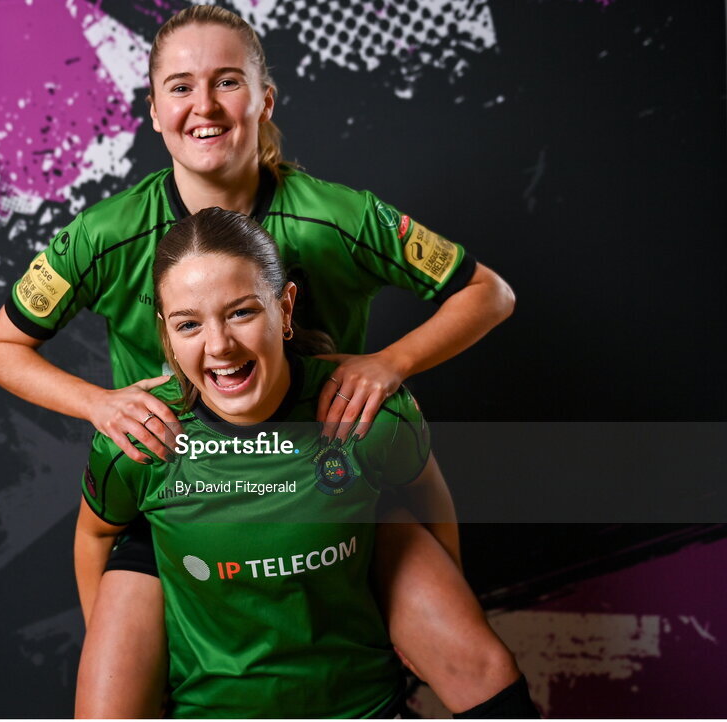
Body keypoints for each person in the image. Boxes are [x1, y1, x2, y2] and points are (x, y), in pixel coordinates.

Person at [0, 4, 531, 717]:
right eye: (179, 86)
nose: (203, 105)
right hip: (179, 503)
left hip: (333, 481)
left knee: (476, 661)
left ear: (264, 99)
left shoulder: (338, 218)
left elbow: (490, 293)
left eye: (227, 81)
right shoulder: (107, 234)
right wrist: (100, 403)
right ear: (153, 109)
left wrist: (389, 363)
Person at [75, 207, 529, 718]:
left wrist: (444, 604)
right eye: (188, 324)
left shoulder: (367, 415)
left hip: (358, 691)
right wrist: (119, 648)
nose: (220, 346)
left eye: (241, 312)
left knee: (489, 673)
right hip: (211, 697)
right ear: (166, 333)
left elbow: (425, 492)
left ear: (285, 308)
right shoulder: (141, 439)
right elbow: (94, 534)